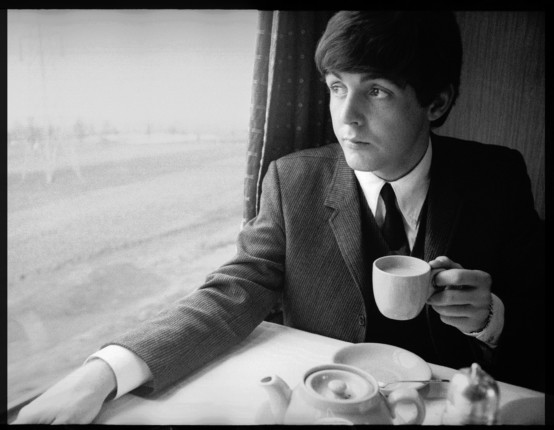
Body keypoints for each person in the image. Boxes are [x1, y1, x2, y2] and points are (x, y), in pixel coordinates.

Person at [14, 11, 545, 424]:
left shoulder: (496, 178)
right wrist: (101, 374)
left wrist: (490, 318)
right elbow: (232, 292)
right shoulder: (293, 181)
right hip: (329, 409)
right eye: (337, 87)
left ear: (437, 102)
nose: (346, 116)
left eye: (376, 90)